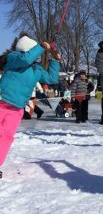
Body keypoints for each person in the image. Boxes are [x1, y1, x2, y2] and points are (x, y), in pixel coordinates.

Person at [0, 33, 60, 178]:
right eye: (34, 50)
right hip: (2, 102)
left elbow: (52, 78)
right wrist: (41, 46)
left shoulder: (37, 69)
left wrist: (55, 59)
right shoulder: (14, 58)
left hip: (17, 108)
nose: (37, 56)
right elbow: (26, 59)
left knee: (6, 137)